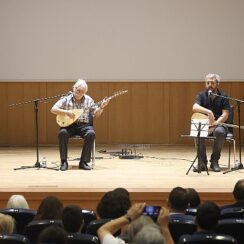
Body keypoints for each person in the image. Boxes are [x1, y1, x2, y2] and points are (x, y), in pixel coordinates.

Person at [51, 78, 109, 171]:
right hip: (68, 126)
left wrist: (102, 107)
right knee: (62, 133)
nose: (79, 93)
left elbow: (96, 114)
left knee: (91, 134)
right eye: (78, 91)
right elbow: (53, 109)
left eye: (82, 92)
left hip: (84, 125)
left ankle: (83, 162)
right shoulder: (66, 99)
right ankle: (64, 161)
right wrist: (66, 112)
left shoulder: (88, 100)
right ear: (74, 88)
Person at [192, 73, 230, 172]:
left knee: (220, 132)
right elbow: (195, 107)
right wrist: (209, 112)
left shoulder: (224, 96)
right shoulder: (201, 95)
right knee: (198, 132)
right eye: (207, 82)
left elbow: (225, 114)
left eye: (212, 83)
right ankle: (202, 163)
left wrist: (215, 124)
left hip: (219, 125)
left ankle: (214, 161)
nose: (209, 85)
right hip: (206, 125)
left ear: (217, 84)